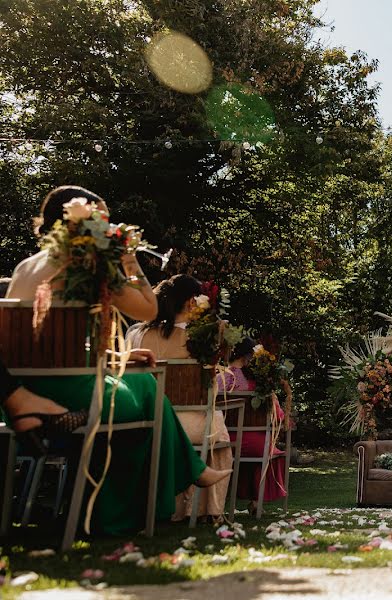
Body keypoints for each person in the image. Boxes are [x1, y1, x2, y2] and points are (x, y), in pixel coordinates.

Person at [6, 185, 230, 534]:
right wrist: (128, 261)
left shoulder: (23, 269)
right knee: (145, 387)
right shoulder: (89, 265)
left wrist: (116, 356)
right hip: (73, 396)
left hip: (23, 389)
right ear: (89, 223)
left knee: (139, 384)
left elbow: (45, 346)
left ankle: (116, 510)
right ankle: (120, 511)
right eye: (105, 221)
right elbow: (149, 307)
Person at [128, 274, 233, 523]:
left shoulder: (136, 335)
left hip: (144, 417)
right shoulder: (203, 337)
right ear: (191, 303)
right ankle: (203, 511)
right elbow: (216, 379)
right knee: (218, 431)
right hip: (191, 424)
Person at [218, 338, 287, 514]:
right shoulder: (260, 384)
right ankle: (256, 502)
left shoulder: (218, 379)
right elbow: (277, 417)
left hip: (222, 440)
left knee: (253, 448)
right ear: (249, 357)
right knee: (268, 449)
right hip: (256, 444)